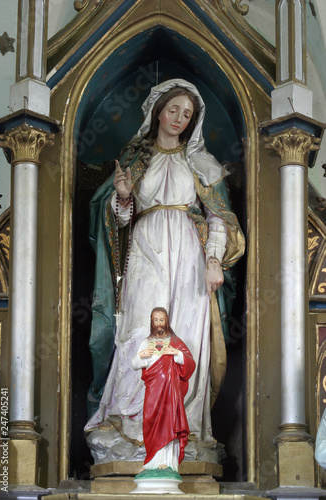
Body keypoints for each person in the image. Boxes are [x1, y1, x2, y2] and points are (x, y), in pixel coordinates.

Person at [85, 79, 245, 455]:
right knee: (140, 329)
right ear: (159, 111)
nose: (179, 118)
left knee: (185, 336)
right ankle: (134, 426)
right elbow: (119, 224)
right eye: (174, 110)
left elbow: (218, 217)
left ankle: (181, 429)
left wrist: (212, 261)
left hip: (190, 253)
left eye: (187, 114)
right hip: (145, 247)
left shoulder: (201, 163)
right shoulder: (135, 159)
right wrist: (123, 198)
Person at [132, 307, 195, 471]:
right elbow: (134, 364)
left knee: (169, 422)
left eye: (162, 320)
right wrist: (141, 356)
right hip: (153, 390)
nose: (159, 323)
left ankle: (168, 462)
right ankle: (151, 460)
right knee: (150, 421)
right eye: (156, 320)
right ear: (151, 322)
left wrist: (177, 354)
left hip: (170, 392)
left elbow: (190, 363)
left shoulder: (175, 341)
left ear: (166, 321)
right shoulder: (146, 342)